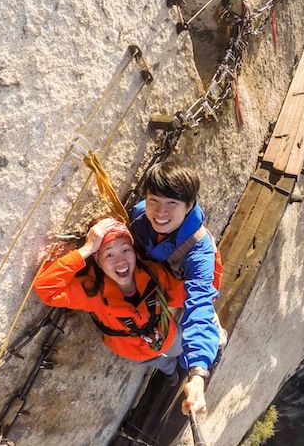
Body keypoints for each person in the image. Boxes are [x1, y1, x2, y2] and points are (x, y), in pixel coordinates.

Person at [33, 218, 186, 377]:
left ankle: (183, 364)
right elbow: (46, 287)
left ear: (134, 252)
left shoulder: (153, 273)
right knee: (162, 362)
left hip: (168, 335)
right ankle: (170, 370)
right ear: (98, 261)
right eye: (109, 254)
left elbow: (188, 295)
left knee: (181, 348)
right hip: (133, 350)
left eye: (126, 250)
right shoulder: (93, 293)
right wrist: (86, 249)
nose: (120, 261)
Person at [129, 161, 223, 416]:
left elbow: (200, 303)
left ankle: (205, 347)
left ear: (189, 206)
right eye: (154, 200)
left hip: (184, 291)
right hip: (159, 283)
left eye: (171, 204)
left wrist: (198, 374)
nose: (160, 212)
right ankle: (170, 369)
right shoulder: (139, 216)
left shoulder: (200, 252)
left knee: (191, 326)